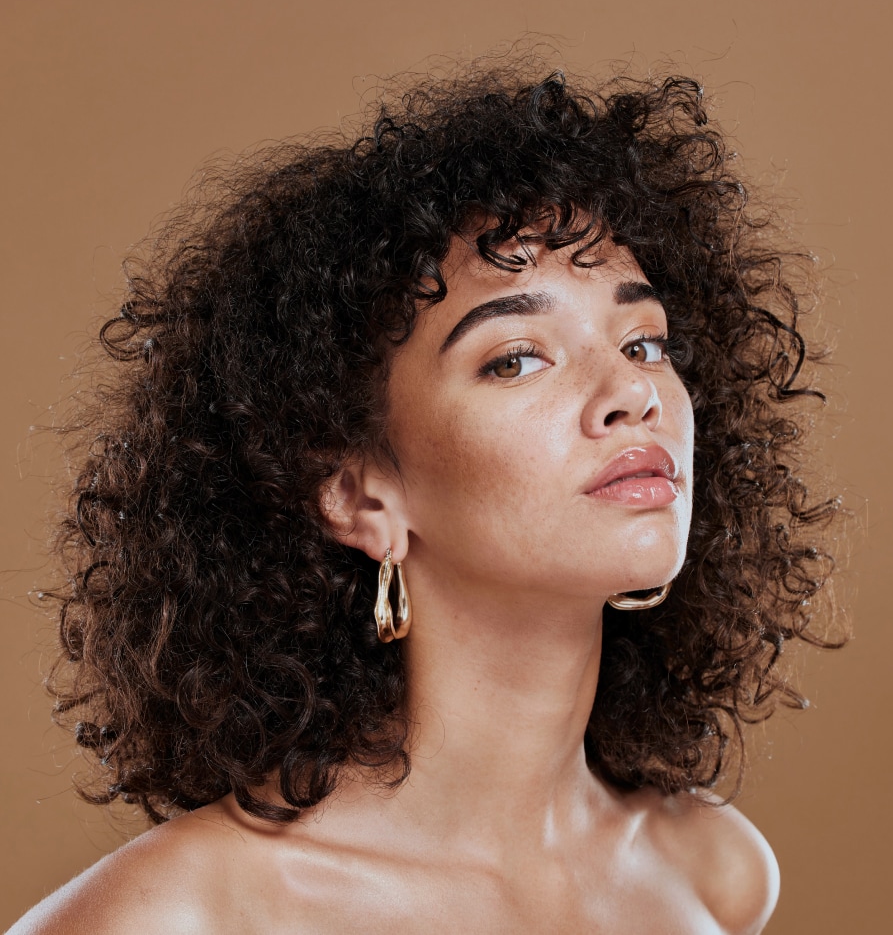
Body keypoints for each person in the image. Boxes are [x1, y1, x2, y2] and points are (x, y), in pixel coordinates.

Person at [10, 55, 840, 934]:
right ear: (360, 497)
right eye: (515, 359)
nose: (633, 393)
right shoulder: (188, 914)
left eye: (643, 344)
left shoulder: (712, 871)